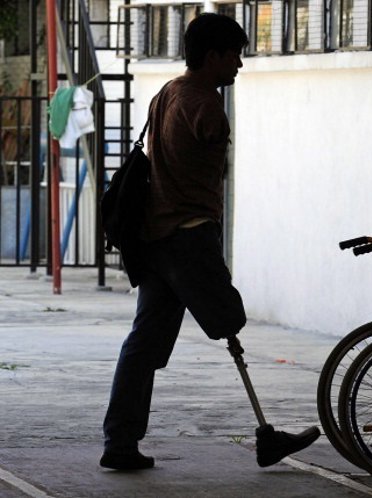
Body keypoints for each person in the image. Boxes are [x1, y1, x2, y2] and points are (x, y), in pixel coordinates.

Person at [100, 13, 319, 471]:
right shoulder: (206, 105)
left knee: (144, 344)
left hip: (156, 239)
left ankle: (120, 442)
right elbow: (209, 139)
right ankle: (266, 437)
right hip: (188, 238)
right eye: (234, 55)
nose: (239, 65)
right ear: (213, 56)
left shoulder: (167, 93)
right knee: (227, 319)